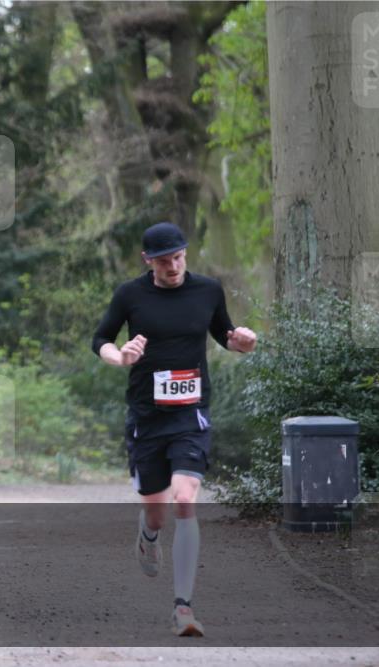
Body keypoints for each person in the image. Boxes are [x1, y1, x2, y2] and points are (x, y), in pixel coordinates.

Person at [91, 221, 257, 636]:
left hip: (191, 412)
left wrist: (242, 342)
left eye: (179, 258)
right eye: (164, 262)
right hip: (147, 416)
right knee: (158, 512)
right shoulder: (131, 295)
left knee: (185, 498)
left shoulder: (207, 290)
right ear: (149, 261)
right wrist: (121, 356)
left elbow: (225, 334)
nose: (173, 267)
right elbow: (101, 339)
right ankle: (148, 535)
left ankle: (183, 607)